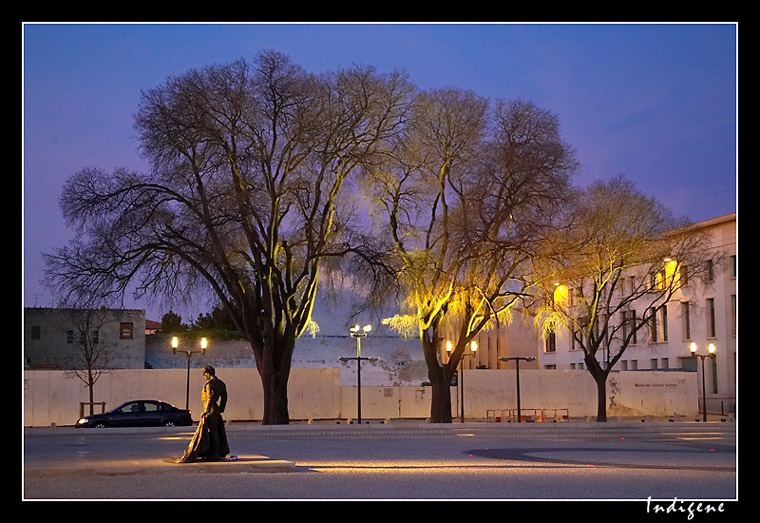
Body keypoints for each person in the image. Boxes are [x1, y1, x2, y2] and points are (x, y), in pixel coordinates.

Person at [175, 366, 230, 463]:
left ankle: (214, 453)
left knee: (213, 433)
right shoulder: (221, 383)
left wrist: (206, 411)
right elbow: (224, 398)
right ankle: (214, 452)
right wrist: (221, 409)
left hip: (210, 410)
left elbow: (210, 398)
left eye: (205, 375)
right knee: (216, 432)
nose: (205, 377)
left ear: (208, 373)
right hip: (216, 410)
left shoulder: (209, 384)